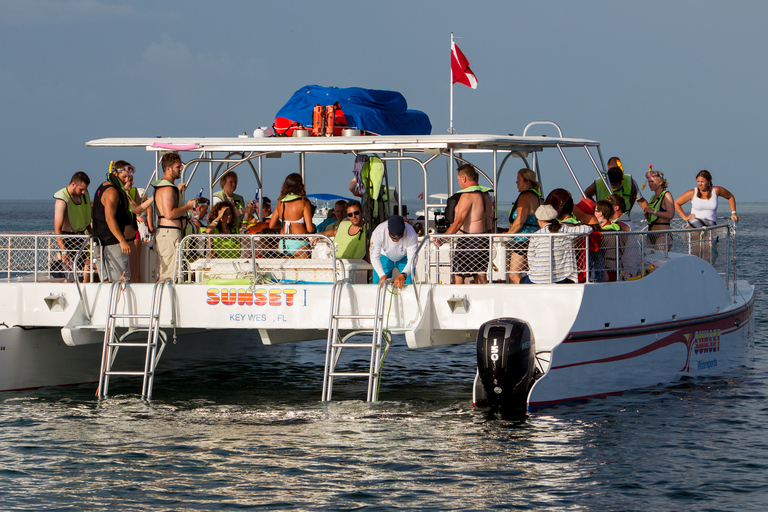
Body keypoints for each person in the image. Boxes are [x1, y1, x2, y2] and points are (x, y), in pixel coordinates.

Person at [438, 164, 493, 284]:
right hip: (484, 239)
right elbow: (490, 220)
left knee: (458, 275)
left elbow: (458, 221)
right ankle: (484, 300)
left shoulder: (468, 195)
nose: (458, 182)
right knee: (480, 273)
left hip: (469, 240)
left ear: (464, 179)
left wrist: (442, 239)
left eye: (458, 179)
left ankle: (460, 299)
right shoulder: (487, 195)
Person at [674, 170, 738, 262]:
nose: (700, 184)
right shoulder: (693, 192)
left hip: (710, 226)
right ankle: (696, 272)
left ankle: (708, 273)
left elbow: (730, 197)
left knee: (711, 254)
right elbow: (677, 203)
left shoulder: (716, 190)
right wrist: (685, 217)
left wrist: (733, 213)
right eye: (698, 181)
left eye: (702, 181)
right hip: (694, 226)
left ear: (709, 181)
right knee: (697, 254)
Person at [153, 153, 197, 281]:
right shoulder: (167, 188)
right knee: (169, 275)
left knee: (169, 273)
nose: (181, 169)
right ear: (168, 168)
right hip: (169, 234)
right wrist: (188, 206)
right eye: (178, 167)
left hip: (168, 233)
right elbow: (169, 214)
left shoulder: (164, 187)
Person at [523, 203, 592, 284]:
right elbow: (588, 229)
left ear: (539, 220)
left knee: (522, 280)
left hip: (537, 277)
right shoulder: (564, 230)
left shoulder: (536, 236)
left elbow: (530, 258)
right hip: (559, 276)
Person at [92, 166, 134, 282]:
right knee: (122, 282)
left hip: (99, 242)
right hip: (112, 242)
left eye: (128, 177)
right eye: (124, 177)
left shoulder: (102, 187)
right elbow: (109, 218)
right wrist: (121, 240)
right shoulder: (112, 192)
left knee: (106, 282)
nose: (126, 180)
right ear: (115, 174)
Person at [114, 161, 154, 282]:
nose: (131, 182)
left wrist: (153, 197)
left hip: (132, 234)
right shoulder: (114, 193)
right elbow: (137, 211)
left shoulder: (128, 194)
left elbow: (137, 210)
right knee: (126, 274)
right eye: (126, 178)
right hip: (122, 237)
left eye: (130, 179)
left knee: (135, 273)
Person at [53, 172, 92, 281]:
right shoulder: (62, 199)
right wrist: (63, 250)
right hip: (68, 240)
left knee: (79, 276)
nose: (83, 192)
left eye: (85, 189)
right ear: (73, 184)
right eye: (81, 189)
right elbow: (57, 228)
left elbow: (87, 219)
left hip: (81, 239)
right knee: (71, 277)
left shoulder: (83, 195)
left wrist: (92, 235)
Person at [506, 168, 543, 283]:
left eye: (519, 180)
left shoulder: (525, 196)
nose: (516, 182)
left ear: (527, 181)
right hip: (535, 239)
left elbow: (519, 221)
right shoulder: (538, 197)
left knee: (513, 274)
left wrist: (507, 235)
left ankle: (524, 294)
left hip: (523, 239)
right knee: (530, 272)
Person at [269, 173, 313, 259]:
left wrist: (283, 224)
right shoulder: (304, 203)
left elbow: (271, 225)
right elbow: (309, 228)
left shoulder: (280, 202)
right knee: (302, 271)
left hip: (283, 243)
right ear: (301, 186)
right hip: (300, 243)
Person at [370, 215, 418, 289]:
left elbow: (413, 259)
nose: (396, 240)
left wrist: (404, 275)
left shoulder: (411, 233)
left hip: (404, 257)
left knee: (409, 285)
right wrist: (382, 275)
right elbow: (374, 257)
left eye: (399, 237)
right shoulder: (378, 231)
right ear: (388, 228)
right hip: (384, 255)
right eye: (393, 237)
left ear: (404, 229)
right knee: (377, 285)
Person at [637, 169, 674, 251]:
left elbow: (670, 215)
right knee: (649, 260)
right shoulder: (653, 198)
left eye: (652, 182)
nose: (650, 184)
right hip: (651, 234)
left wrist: (653, 211)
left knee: (660, 260)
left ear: (660, 182)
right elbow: (656, 215)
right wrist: (649, 215)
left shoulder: (666, 195)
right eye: (649, 182)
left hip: (662, 234)